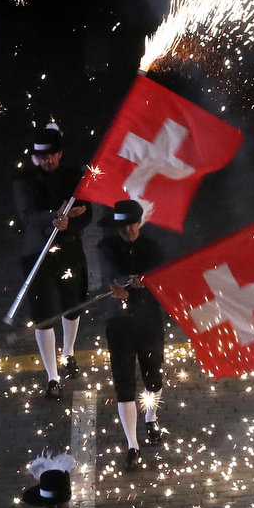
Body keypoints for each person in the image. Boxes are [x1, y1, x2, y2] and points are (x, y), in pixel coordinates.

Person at [12, 122, 91, 400]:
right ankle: (52, 376)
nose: (48, 160)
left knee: (73, 306)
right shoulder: (24, 181)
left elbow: (87, 212)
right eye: (42, 156)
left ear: (60, 153)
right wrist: (53, 217)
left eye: (53, 155)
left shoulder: (75, 177)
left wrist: (72, 223)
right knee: (44, 317)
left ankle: (68, 352)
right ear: (34, 157)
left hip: (70, 251)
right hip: (37, 254)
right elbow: (28, 215)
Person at [95, 200, 166, 472]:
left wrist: (141, 288)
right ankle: (132, 444)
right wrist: (124, 283)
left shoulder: (152, 248)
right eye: (122, 225)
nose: (127, 228)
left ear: (139, 222)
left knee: (153, 378)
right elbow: (108, 276)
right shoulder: (106, 248)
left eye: (131, 223)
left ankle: (151, 417)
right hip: (119, 324)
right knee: (124, 384)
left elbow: (161, 280)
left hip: (148, 322)